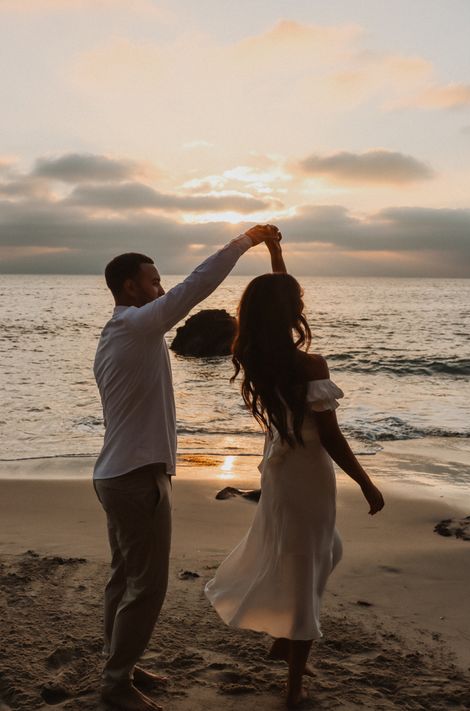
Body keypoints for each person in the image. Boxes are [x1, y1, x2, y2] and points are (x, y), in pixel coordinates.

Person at [92, 224, 281, 711]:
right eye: (153, 281)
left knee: (123, 577)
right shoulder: (135, 325)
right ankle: (115, 683)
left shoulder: (118, 334)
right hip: (135, 477)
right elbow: (196, 285)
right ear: (131, 287)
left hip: (117, 473)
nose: (161, 288)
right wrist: (246, 241)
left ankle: (120, 666)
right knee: (146, 587)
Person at [205, 235, 385, 709]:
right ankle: (293, 685)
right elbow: (331, 437)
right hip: (306, 472)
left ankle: (284, 635)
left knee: (322, 550)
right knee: (308, 565)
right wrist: (367, 483)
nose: (303, 303)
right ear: (287, 312)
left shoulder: (256, 355)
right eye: (298, 300)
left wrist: (275, 254)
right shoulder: (309, 365)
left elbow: (278, 291)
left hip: (280, 470)